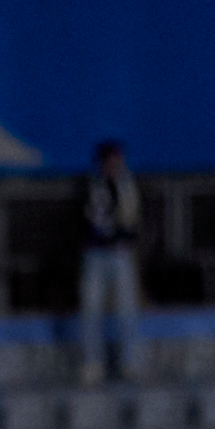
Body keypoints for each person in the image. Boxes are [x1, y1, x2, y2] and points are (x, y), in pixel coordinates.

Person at [76, 141, 145, 382]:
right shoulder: (90, 185)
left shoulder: (127, 185)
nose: (115, 166)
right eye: (110, 161)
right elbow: (82, 218)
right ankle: (93, 363)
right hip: (95, 254)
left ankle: (131, 363)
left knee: (127, 310)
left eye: (118, 161)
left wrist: (126, 236)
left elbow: (132, 220)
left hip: (120, 253)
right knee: (91, 311)